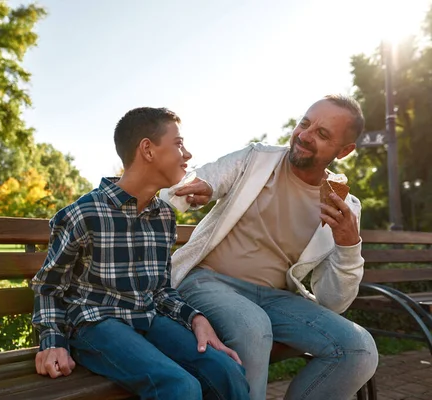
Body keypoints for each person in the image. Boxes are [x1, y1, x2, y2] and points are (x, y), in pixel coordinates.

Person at [164, 95, 379, 400]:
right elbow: (207, 177)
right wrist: (203, 187)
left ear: (344, 151)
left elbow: (334, 301)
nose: (304, 135)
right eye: (305, 124)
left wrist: (347, 245)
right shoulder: (256, 160)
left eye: (322, 134)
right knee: (252, 325)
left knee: (359, 348)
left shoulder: (343, 206)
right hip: (208, 281)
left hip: (276, 298)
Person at [30, 107, 250, 400]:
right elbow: (49, 287)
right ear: (147, 149)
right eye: (178, 144)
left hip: (146, 317)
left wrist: (196, 318)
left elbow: (160, 291)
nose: (187, 154)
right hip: (96, 323)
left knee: (227, 371)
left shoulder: (163, 216)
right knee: (181, 386)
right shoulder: (83, 214)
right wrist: (52, 341)